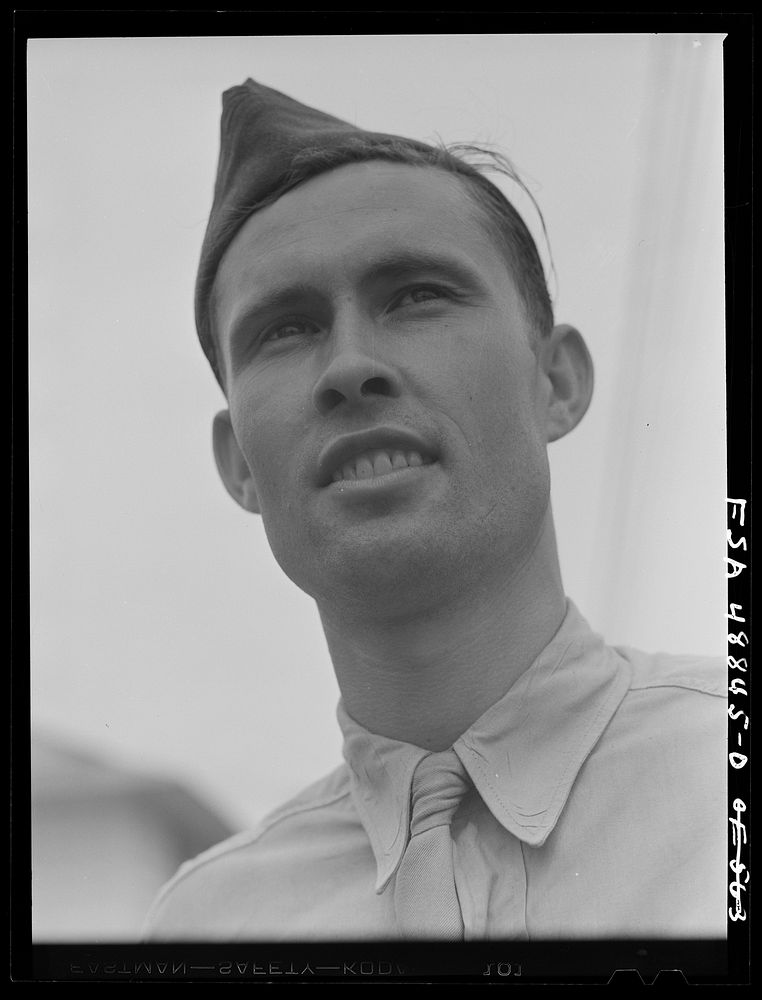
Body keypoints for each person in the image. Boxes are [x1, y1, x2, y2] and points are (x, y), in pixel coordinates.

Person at [144, 79, 726, 942]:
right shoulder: (203, 931)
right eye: (284, 328)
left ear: (555, 383)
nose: (349, 366)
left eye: (416, 295)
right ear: (240, 467)